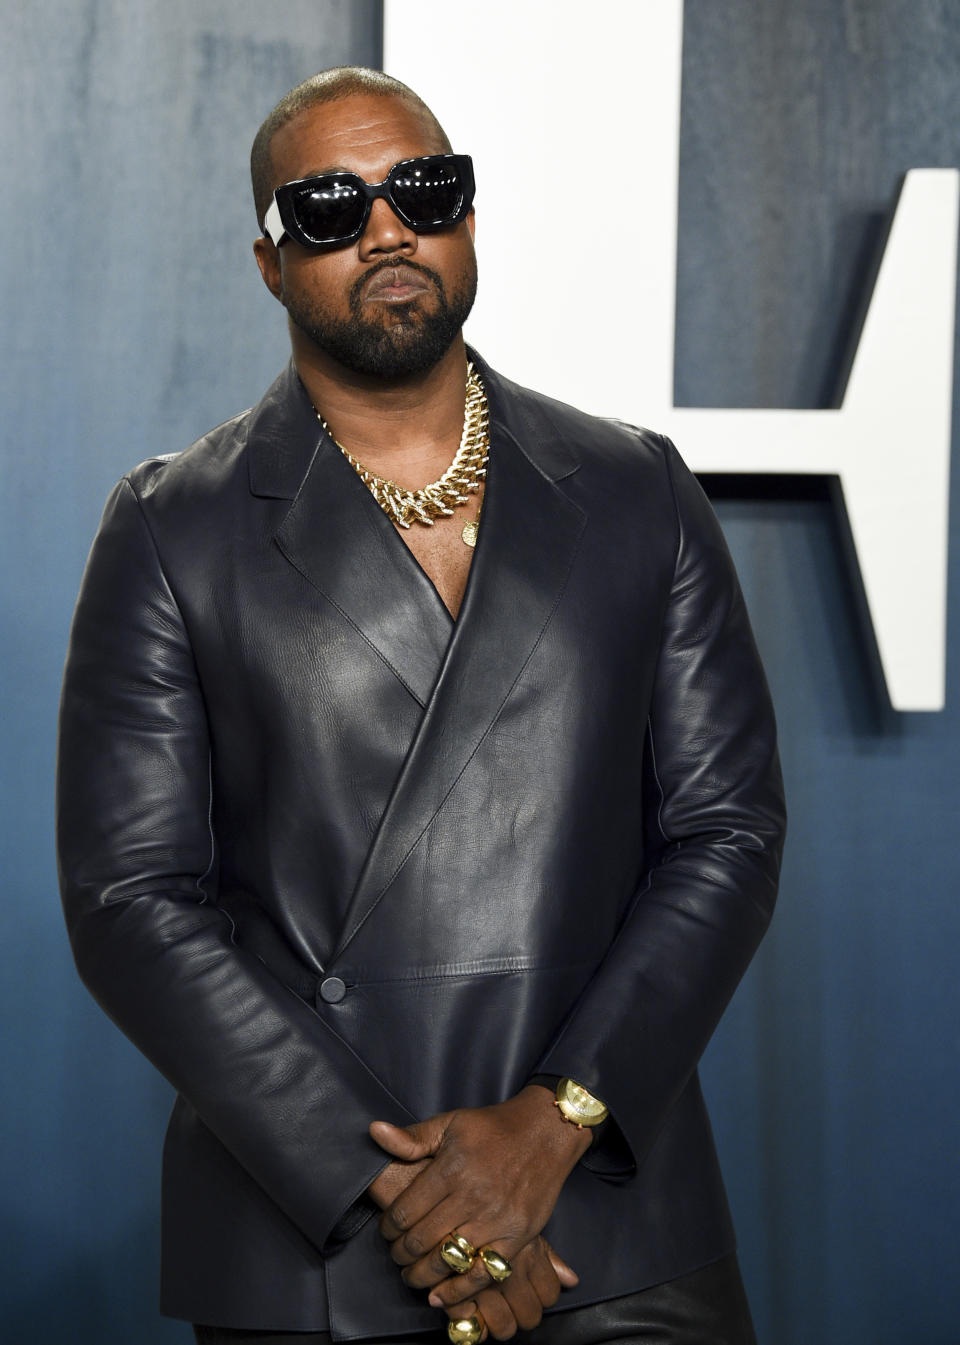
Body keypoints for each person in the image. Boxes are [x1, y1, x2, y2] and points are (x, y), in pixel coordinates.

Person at [57, 66, 786, 1345]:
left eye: (423, 191)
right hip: (317, 1233)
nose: (388, 227)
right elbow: (132, 904)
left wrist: (550, 1127)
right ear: (271, 262)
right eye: (330, 208)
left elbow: (726, 834)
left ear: (463, 221)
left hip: (613, 1216)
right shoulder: (174, 528)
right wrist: (417, 1187)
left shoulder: (635, 489)